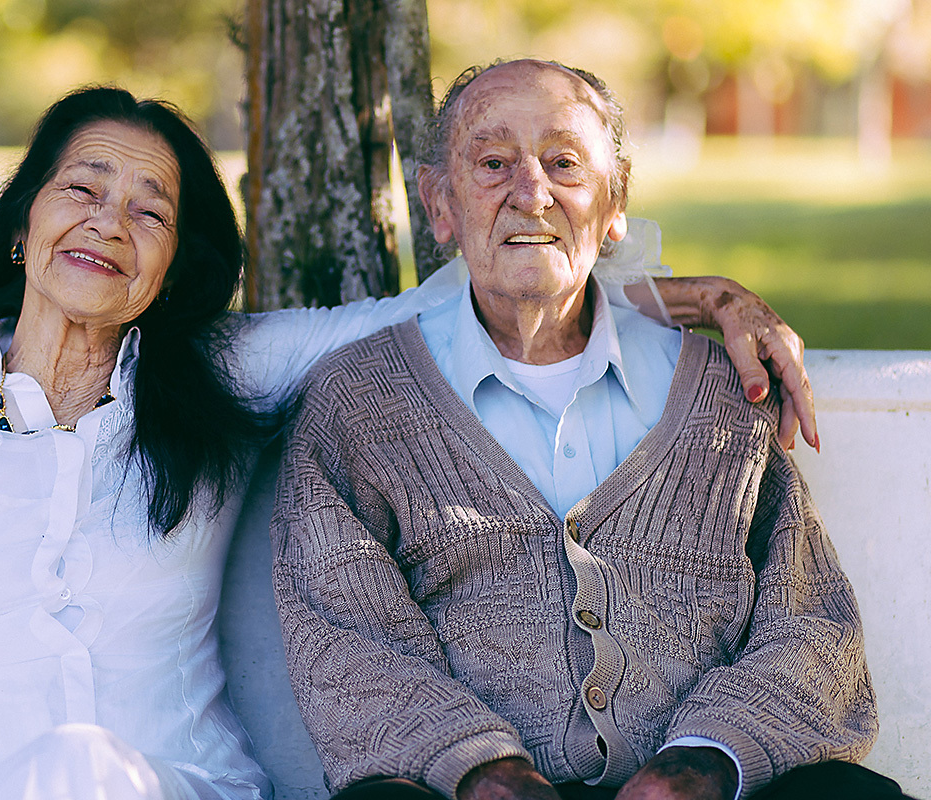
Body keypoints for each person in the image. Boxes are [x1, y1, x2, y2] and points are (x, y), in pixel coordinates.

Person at [0, 85, 813, 800]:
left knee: (73, 764)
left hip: (161, 781)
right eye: (82, 189)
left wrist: (699, 296)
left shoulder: (216, 376)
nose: (107, 223)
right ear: (20, 225)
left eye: (150, 211)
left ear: (174, 268)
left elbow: (449, 300)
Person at [272, 60, 909, 800]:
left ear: (615, 206)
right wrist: (484, 772)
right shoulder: (358, 402)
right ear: (440, 204)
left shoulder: (723, 392)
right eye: (493, 163)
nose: (531, 192)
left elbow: (809, 622)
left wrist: (702, 762)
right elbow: (346, 639)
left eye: (564, 162)